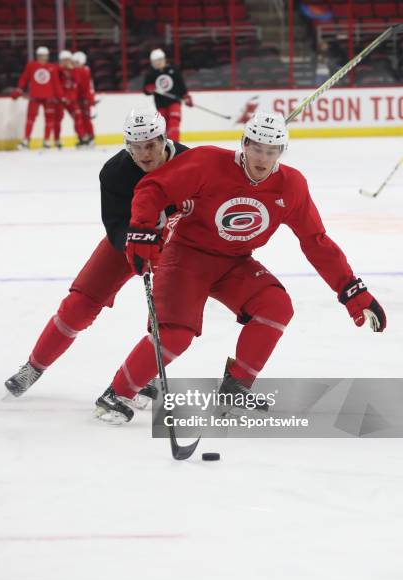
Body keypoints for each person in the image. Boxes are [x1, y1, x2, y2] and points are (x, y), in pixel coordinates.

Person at [97, 111, 387, 423]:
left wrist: (351, 290)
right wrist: (142, 229)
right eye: (257, 148)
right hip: (185, 257)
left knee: (276, 306)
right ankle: (117, 393)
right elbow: (153, 187)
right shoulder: (208, 162)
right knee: (176, 335)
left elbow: (316, 242)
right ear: (244, 144)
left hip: (234, 263)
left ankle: (235, 388)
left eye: (271, 150)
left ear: (281, 152)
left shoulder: (291, 186)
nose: (262, 158)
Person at [4, 109, 189, 416]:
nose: (144, 154)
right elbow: (115, 226)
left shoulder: (189, 161)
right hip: (127, 245)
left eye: (151, 145)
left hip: (176, 248)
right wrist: (136, 245)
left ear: (164, 139)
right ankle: (34, 366)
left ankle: (141, 376)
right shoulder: (115, 172)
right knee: (78, 305)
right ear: (127, 145)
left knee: (168, 320)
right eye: (136, 146)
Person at [11, 46, 63, 149]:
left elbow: (56, 83)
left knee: (49, 119)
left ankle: (47, 141)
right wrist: (19, 89)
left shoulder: (52, 67)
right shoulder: (31, 66)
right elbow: (24, 78)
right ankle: (26, 140)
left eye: (45, 56)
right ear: (37, 56)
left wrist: (60, 96)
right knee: (30, 118)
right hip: (35, 96)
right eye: (41, 56)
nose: (43, 58)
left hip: (49, 97)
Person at [143, 48, 193, 142]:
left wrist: (186, 96)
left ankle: (175, 145)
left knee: (174, 121)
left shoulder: (173, 70)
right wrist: (149, 88)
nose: (156, 63)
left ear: (163, 59)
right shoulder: (151, 74)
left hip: (174, 101)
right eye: (154, 62)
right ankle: (166, 146)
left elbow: (181, 86)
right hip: (160, 104)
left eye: (158, 60)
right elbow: (146, 90)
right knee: (163, 125)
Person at [54, 50, 86, 147]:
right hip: (60, 100)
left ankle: (81, 137)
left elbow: (77, 81)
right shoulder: (57, 70)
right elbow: (56, 84)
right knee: (58, 119)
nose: (66, 62)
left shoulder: (74, 70)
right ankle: (57, 140)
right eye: (64, 60)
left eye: (68, 60)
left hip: (71, 99)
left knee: (78, 117)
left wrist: (73, 70)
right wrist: (61, 97)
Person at [72, 50, 96, 145]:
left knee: (85, 119)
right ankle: (84, 136)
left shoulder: (84, 71)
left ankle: (89, 136)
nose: (75, 64)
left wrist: (89, 99)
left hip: (85, 99)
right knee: (80, 118)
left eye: (76, 62)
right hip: (81, 98)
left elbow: (82, 85)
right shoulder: (83, 70)